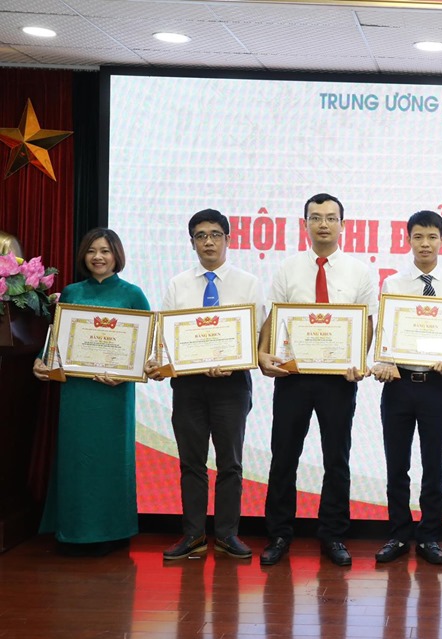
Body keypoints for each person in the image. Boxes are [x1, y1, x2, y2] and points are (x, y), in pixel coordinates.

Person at [257, 193, 377, 567]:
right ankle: (279, 534)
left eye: (330, 217)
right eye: (315, 217)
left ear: (343, 224)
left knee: (336, 458)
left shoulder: (359, 271)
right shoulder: (288, 268)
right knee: (284, 456)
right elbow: (273, 317)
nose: (323, 224)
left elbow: (367, 323)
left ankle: (333, 534)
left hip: (338, 380)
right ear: (305, 223)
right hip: (292, 377)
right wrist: (262, 354)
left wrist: (359, 361)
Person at [146, 209, 265, 560]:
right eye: (201, 236)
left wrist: (234, 361)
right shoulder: (178, 284)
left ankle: (227, 534)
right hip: (188, 386)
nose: (208, 242)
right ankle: (193, 534)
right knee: (191, 462)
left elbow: (257, 334)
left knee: (230, 464)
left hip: (232, 385)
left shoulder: (248, 283)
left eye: (215, 234)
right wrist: (158, 362)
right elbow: (167, 336)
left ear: (228, 239)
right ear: (192, 242)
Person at [33, 228, 150, 555]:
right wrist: (41, 361)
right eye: (91, 251)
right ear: (83, 255)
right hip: (77, 393)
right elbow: (56, 339)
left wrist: (128, 373)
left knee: (112, 460)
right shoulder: (71, 293)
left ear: (117, 255)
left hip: (114, 394)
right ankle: (74, 531)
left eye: (105, 251)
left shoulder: (133, 294)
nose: (98, 257)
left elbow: (146, 349)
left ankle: (114, 531)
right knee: (77, 460)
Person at [371, 210, 442, 566]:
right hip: (398, 386)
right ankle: (399, 534)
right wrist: (383, 361)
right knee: (397, 465)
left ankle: (429, 536)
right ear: (408, 239)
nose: (425, 244)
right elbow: (385, 331)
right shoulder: (393, 284)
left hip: (436, 386)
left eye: (432, 237)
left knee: (434, 466)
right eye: (418, 237)